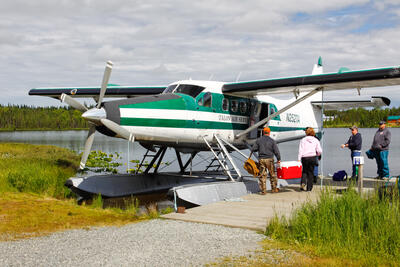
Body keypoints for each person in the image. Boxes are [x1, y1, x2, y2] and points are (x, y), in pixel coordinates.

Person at [251, 127, 281, 194]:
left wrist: (259, 148)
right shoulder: (272, 141)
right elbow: (276, 151)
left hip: (261, 159)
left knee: (262, 175)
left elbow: (253, 149)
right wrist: (278, 159)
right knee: (272, 175)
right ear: (269, 133)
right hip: (270, 159)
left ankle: (263, 190)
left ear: (263, 132)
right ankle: (273, 189)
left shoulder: (258, 140)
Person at [298, 127, 322, 191]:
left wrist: (299, 159)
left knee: (304, 171)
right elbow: (319, 150)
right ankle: (309, 188)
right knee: (311, 173)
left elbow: (301, 150)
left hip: (304, 157)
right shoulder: (316, 140)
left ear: (306, 132)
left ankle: (303, 183)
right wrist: (317, 154)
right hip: (312, 157)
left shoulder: (303, 140)